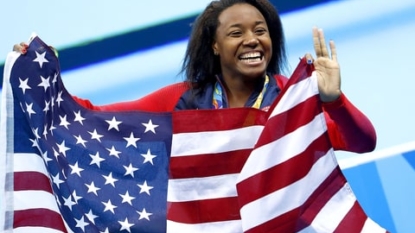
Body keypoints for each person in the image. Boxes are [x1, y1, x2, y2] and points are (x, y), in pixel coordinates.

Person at [13, 0, 376, 153]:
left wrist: (334, 101)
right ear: (215, 46)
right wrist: (41, 77)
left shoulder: (296, 97)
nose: (252, 40)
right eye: (236, 33)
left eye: (260, 30)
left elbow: (362, 143)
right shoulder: (180, 101)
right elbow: (96, 119)